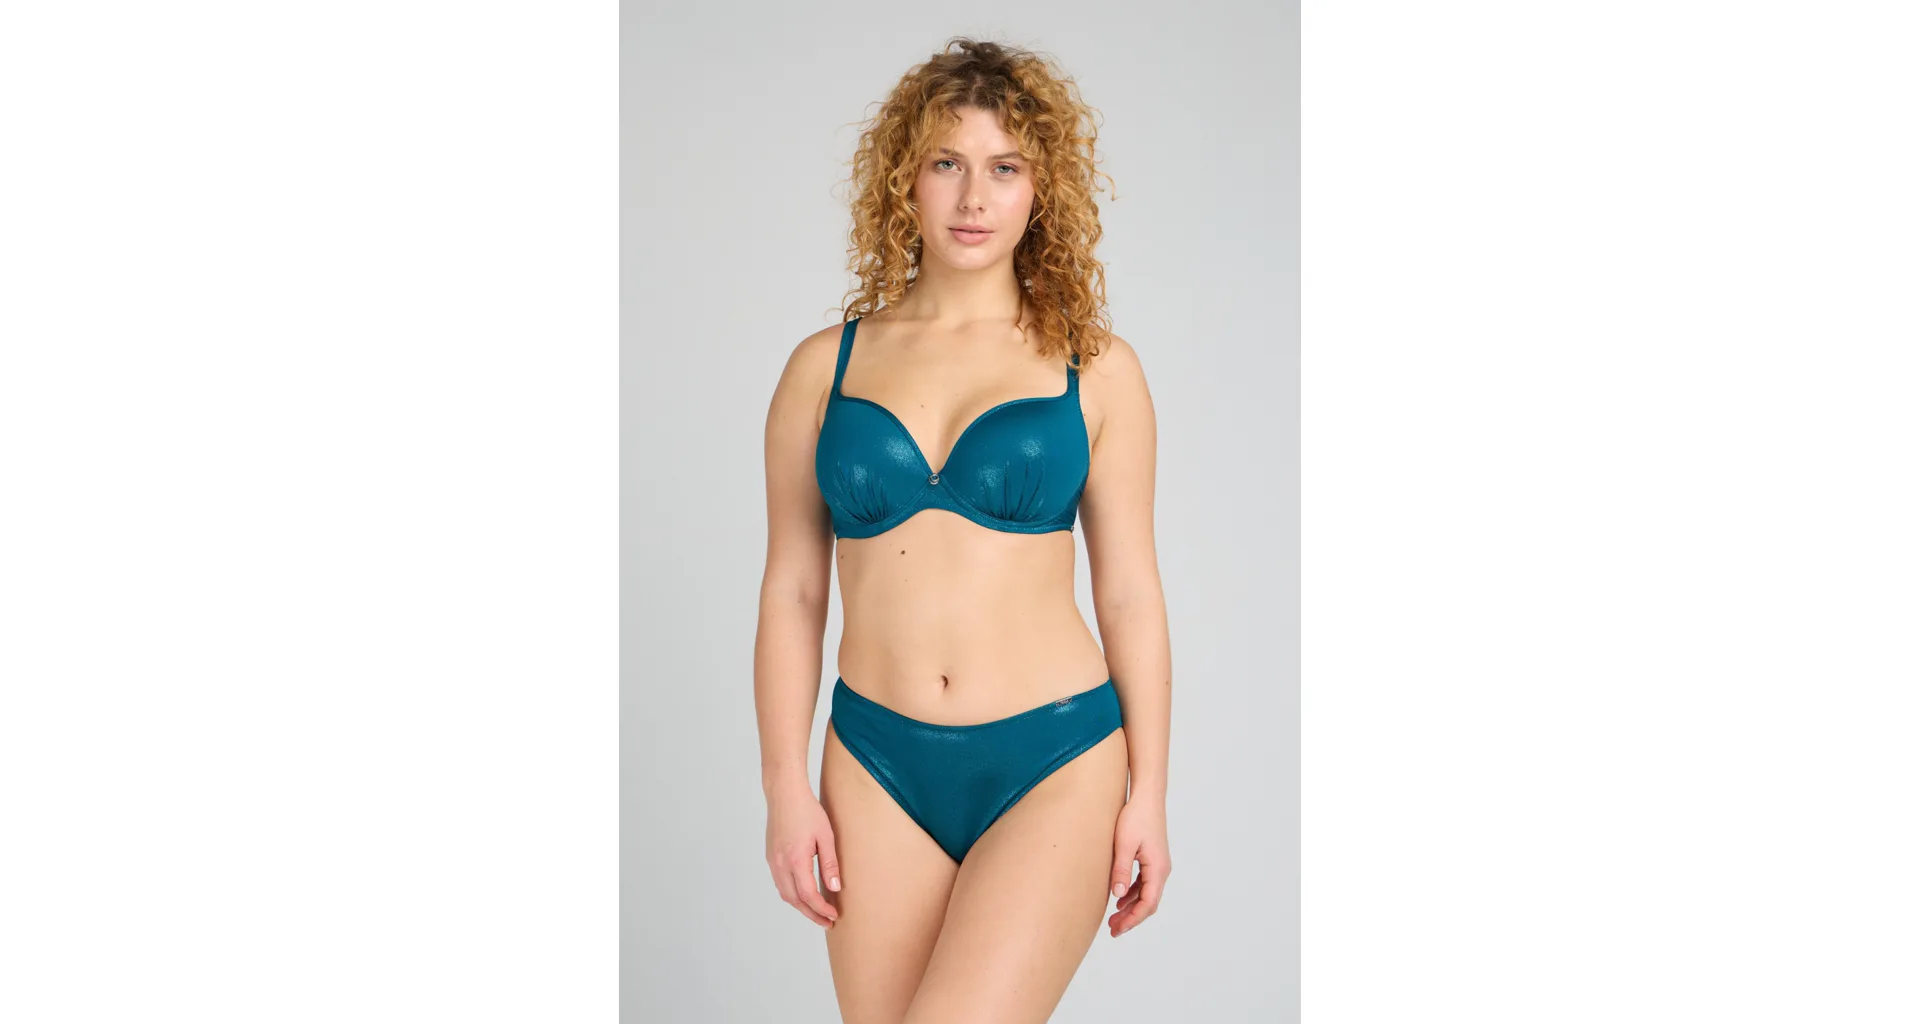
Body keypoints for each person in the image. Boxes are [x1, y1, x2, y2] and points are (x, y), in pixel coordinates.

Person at [754, 37, 1173, 1023]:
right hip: (874, 762)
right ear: (905, 179)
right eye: (946, 163)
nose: (973, 198)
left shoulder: (1096, 369)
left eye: (1004, 167)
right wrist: (784, 790)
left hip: (1054, 759)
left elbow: (1128, 593)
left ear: (1041, 189)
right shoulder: (823, 368)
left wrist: (1150, 792)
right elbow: (793, 591)